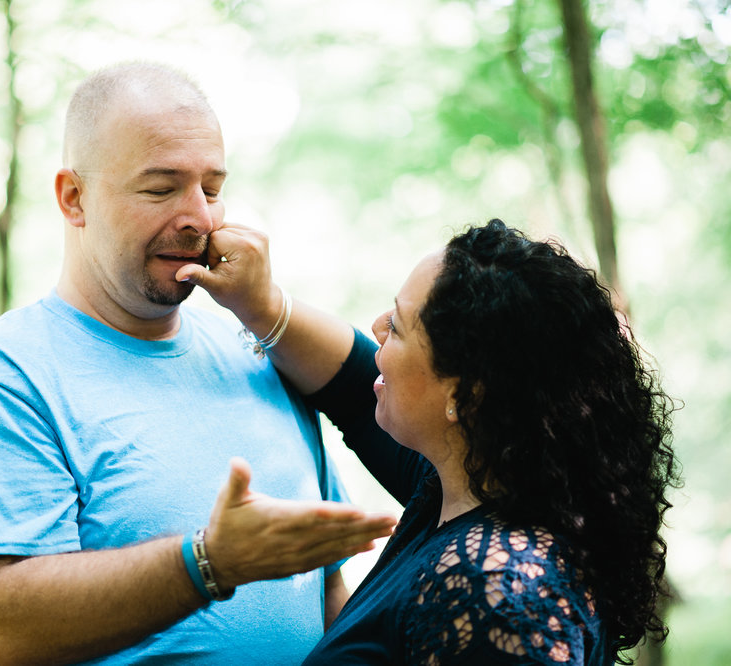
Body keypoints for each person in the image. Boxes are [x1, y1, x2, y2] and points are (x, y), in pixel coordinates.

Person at [0, 62, 396, 666]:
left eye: (212, 189)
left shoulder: (260, 352)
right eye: (162, 188)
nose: (200, 220)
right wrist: (208, 563)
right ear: (74, 197)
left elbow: (321, 593)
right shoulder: (0, 379)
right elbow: (3, 626)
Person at [181, 218, 679, 664]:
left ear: (462, 395)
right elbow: (353, 390)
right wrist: (260, 303)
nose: (376, 328)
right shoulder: (467, 489)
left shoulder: (496, 586)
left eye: (397, 326)